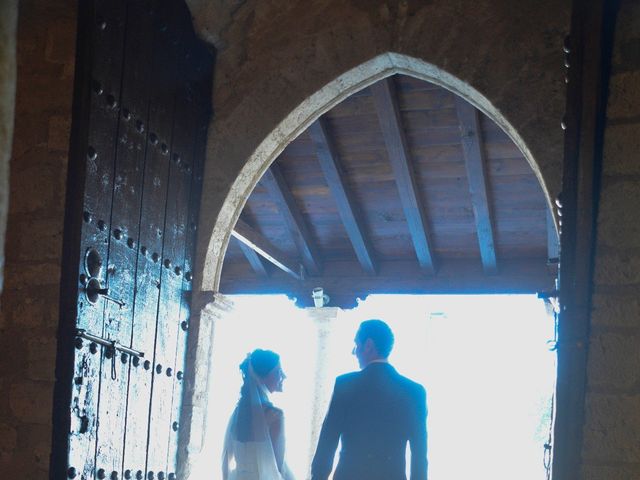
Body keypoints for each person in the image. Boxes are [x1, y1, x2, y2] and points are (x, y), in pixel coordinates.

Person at [311, 319, 428, 480]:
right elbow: (419, 452)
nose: (354, 351)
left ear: (368, 345)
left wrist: (317, 477)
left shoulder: (346, 384)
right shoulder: (414, 391)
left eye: (356, 344)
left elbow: (328, 438)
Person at [222, 349, 295, 480]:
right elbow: (277, 466)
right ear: (262, 377)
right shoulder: (275, 416)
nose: (284, 376)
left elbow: (228, 454)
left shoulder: (238, 412)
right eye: (278, 372)